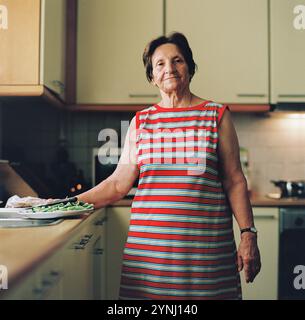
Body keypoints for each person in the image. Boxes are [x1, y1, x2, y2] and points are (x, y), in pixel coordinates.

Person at [77, 32, 261, 300]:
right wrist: (68, 203)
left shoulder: (216, 115)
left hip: (206, 258)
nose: (170, 69)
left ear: (191, 68)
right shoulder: (141, 122)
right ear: (152, 76)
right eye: (160, 64)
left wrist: (248, 235)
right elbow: (117, 184)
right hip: (150, 259)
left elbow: (234, 180)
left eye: (178, 60)